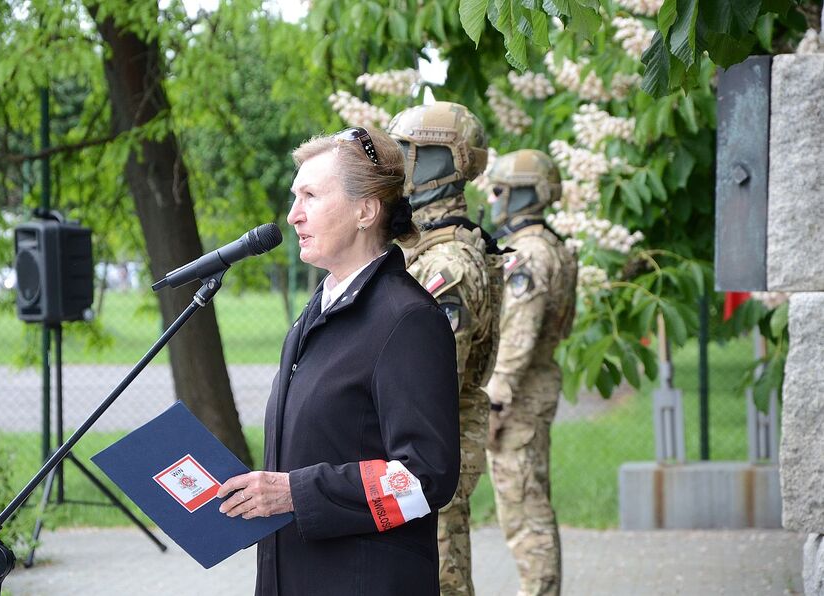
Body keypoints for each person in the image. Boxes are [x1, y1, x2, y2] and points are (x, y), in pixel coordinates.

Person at [217, 126, 461, 596]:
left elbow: (425, 475)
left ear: (365, 210)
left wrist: (295, 493)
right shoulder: (317, 310)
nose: (292, 216)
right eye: (294, 197)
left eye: (310, 196)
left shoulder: (407, 319)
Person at [387, 101, 503, 596]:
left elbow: (431, 386)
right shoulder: (429, 246)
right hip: (423, 459)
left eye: (410, 152)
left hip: (430, 461)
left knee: (441, 580)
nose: (399, 164)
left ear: (445, 160)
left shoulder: (447, 265)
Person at [484, 149, 577, 596]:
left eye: (501, 190)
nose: (494, 199)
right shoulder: (550, 245)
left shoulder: (530, 254)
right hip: (534, 387)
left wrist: (496, 399)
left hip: (518, 396)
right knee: (526, 499)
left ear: (526, 194)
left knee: (525, 510)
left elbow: (519, 333)